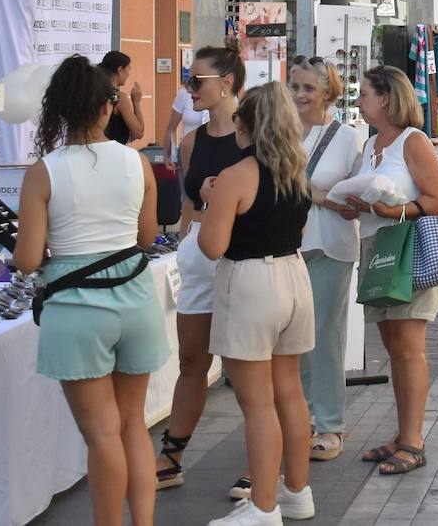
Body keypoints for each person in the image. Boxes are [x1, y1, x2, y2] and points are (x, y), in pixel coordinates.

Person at [17, 56, 164, 526]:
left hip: (77, 310)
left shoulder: (44, 172)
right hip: (135, 298)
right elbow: (146, 238)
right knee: (133, 427)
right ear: (108, 107)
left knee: (102, 435)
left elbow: (27, 259)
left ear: (57, 111)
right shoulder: (137, 162)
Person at [197, 83, 315, 525]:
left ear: (245, 125)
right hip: (293, 274)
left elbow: (212, 245)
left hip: (250, 281)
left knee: (258, 404)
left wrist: (212, 201)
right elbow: (298, 233)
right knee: (290, 391)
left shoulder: (238, 174)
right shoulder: (297, 171)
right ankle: (297, 492)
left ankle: (264, 508)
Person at [346, 66, 438, 476]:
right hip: (376, 249)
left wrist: (395, 210)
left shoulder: (413, 141)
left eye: (365, 94)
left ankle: (413, 440)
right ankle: (403, 433)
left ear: (387, 97)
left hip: (405, 249)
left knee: (408, 349)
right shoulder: (372, 141)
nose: (358, 101)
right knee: (394, 349)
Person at [156, 46, 246, 495]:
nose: (189, 89)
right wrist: (184, 246)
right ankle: (171, 459)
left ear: (226, 82)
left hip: (240, 260)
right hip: (198, 262)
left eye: (197, 81)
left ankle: (261, 464)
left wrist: (225, 193)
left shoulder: (254, 136)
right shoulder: (191, 141)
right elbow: (191, 206)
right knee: (192, 360)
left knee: (245, 367)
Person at [287, 57, 362, 462]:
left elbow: (356, 194)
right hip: (284, 248)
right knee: (293, 338)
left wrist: (322, 198)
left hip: (331, 245)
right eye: (295, 87)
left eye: (308, 89)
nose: (299, 95)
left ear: (327, 92)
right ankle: (300, 417)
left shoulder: (346, 137)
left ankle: (330, 424)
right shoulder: (278, 131)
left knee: (324, 336)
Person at [101, 50, 145, 146]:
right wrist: (136, 103)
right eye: (128, 69)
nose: (129, 73)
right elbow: (139, 132)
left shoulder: (95, 93)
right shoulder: (119, 98)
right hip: (114, 151)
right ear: (120, 70)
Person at [163, 86, 210, 168]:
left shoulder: (224, 93)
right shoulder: (185, 93)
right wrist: (168, 156)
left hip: (213, 152)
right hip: (188, 155)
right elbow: (171, 128)